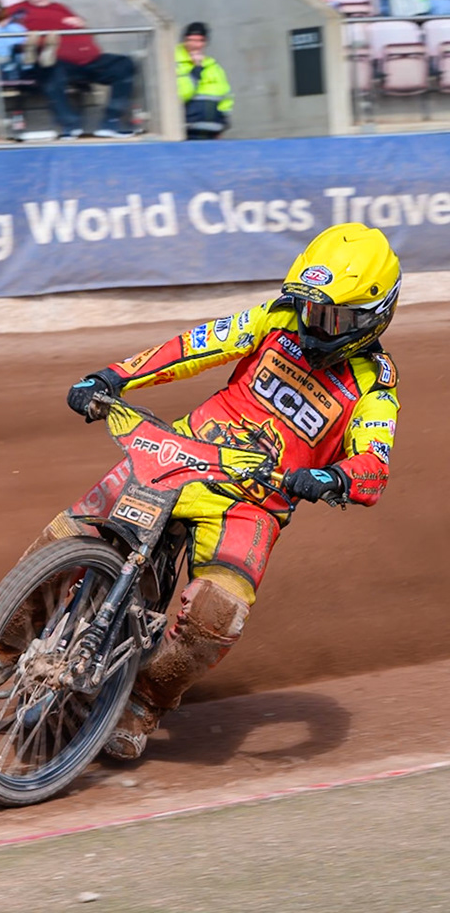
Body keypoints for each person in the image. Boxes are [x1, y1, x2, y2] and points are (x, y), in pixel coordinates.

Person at [42, 224, 401, 760]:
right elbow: (197, 346)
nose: (310, 325)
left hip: (254, 502)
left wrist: (335, 478)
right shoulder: (275, 319)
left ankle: (144, 701)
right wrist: (114, 377)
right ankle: (2, 645)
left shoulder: (375, 383)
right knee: (64, 538)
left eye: (328, 317)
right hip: (179, 453)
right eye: (307, 308)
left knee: (218, 615)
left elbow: (375, 461)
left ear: (370, 319)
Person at [9, 0, 137, 139]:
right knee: (50, 68)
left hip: (89, 61)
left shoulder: (60, 8)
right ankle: (70, 124)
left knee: (124, 64)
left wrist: (82, 23)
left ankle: (111, 121)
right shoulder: (19, 10)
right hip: (55, 63)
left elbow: (81, 26)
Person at [177, 21, 231, 139]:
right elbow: (182, 94)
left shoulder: (212, 65)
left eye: (201, 41)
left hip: (213, 131)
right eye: (192, 40)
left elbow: (225, 95)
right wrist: (196, 70)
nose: (196, 45)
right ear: (185, 40)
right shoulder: (174, 61)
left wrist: (223, 120)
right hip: (188, 131)